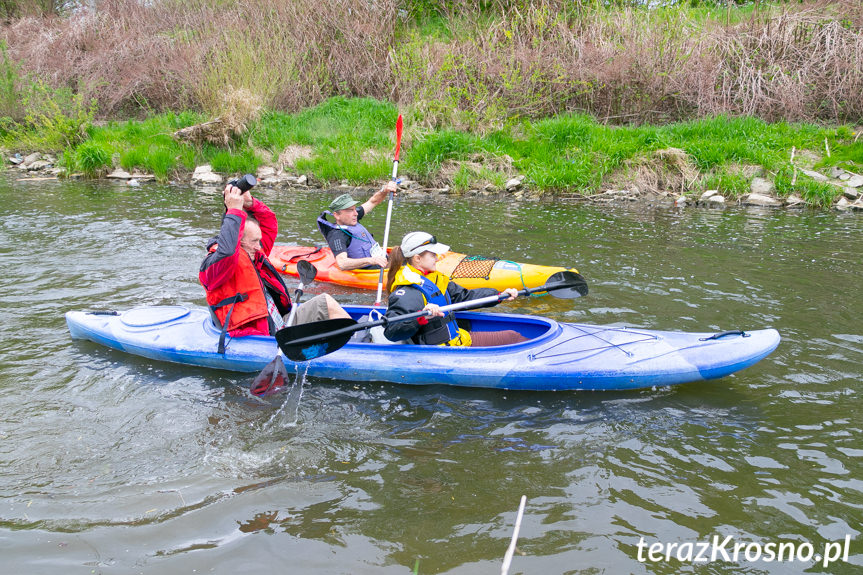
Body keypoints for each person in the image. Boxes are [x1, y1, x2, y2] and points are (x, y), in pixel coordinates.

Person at [200, 180, 350, 352]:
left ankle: (356, 343)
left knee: (325, 301)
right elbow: (227, 252)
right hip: (255, 339)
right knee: (326, 305)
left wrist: (250, 203)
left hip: (278, 326)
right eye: (254, 241)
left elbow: (269, 223)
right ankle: (352, 352)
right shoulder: (215, 266)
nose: (259, 246)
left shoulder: (254, 255)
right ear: (238, 242)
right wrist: (233, 210)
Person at [383, 232, 529, 347]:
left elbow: (465, 296)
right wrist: (421, 317)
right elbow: (392, 332)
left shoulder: (433, 278)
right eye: (433, 254)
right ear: (417, 259)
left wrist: (498, 295)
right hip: (443, 351)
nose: (437, 258)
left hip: (456, 339)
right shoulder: (407, 292)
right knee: (513, 337)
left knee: (513, 336)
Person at [317, 181, 398, 271]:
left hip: (382, 260)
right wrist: (372, 260)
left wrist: (385, 189)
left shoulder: (351, 218)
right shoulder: (337, 236)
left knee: (401, 252)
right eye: (350, 210)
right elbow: (342, 263)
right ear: (337, 215)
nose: (356, 213)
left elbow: (373, 201)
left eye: (355, 209)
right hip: (371, 270)